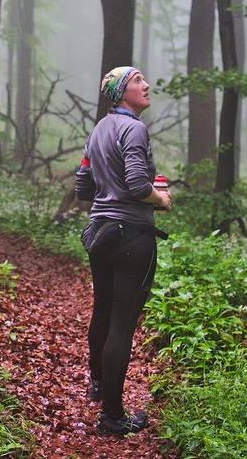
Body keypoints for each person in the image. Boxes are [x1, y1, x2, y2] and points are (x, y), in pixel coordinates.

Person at [75, 66, 171, 437]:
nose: (146, 85)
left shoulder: (98, 131)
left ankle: (97, 385)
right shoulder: (134, 128)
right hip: (132, 234)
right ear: (120, 93)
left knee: (102, 311)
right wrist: (158, 198)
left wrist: (109, 190)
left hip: (99, 233)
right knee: (122, 322)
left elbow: (84, 186)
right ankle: (112, 417)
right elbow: (135, 183)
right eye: (137, 81)